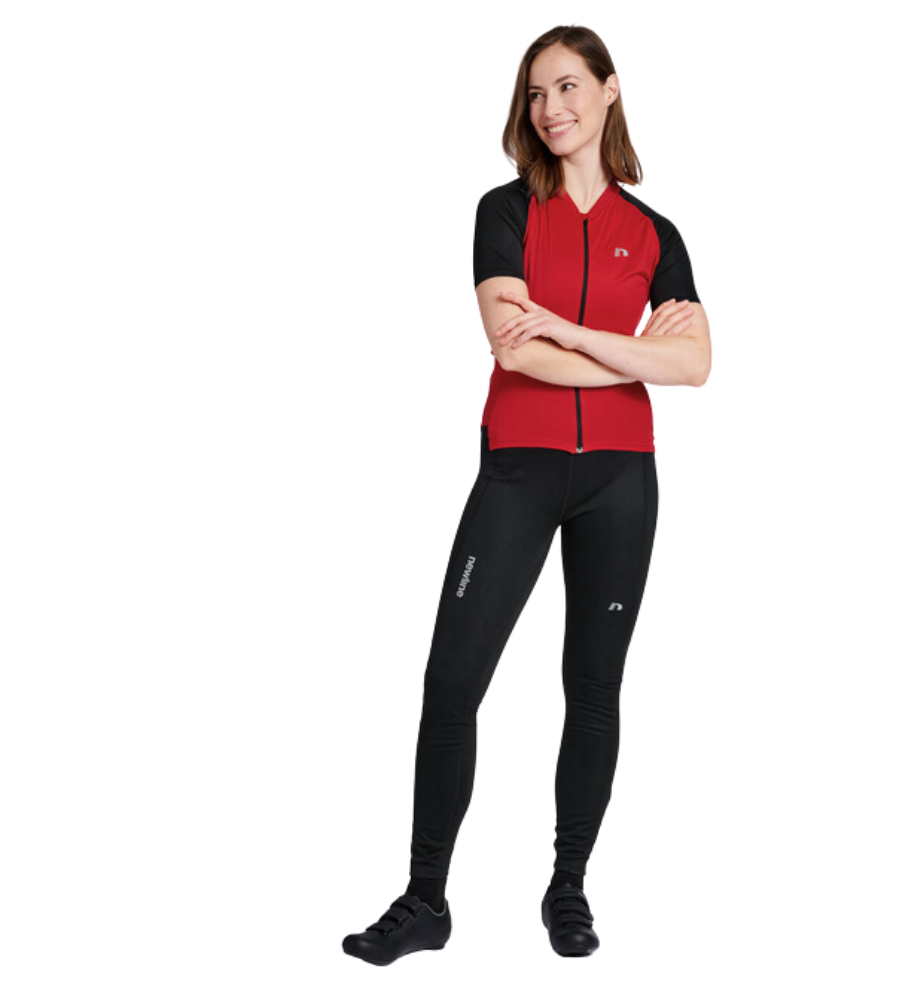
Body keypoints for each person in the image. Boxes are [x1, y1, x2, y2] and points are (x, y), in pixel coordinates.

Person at [343, 24, 711, 965]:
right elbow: (517, 352)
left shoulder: (655, 234)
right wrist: (634, 355)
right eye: (536, 94)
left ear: (609, 90)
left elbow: (697, 364)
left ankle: (568, 887)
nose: (551, 109)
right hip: (519, 467)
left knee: (593, 688)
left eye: (568, 86)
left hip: (621, 479)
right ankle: (425, 899)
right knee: (451, 682)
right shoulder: (503, 210)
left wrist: (576, 336)